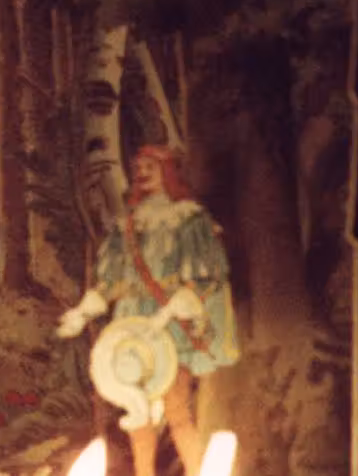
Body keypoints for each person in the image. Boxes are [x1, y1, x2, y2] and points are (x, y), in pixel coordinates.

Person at [56, 146, 239, 476]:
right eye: (138, 166)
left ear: (168, 170)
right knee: (136, 412)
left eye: (150, 166)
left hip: (168, 327)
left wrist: (166, 315)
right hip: (130, 327)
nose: (142, 172)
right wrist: (82, 313)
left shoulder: (187, 219)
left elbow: (202, 279)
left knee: (177, 410)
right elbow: (111, 283)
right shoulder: (127, 225)